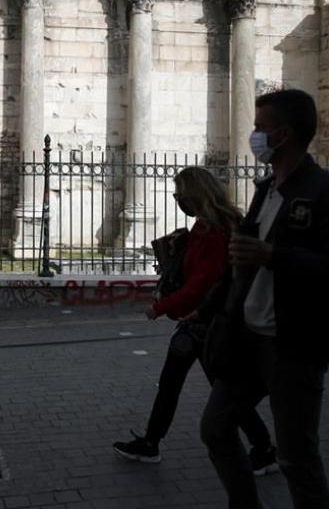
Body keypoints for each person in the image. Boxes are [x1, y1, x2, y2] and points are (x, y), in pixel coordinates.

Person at [200, 89, 329, 509]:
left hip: (293, 345)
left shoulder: (327, 193)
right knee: (215, 428)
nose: (254, 135)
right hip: (247, 338)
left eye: (260, 128)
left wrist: (274, 255)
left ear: (283, 135)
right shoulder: (265, 189)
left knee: (297, 458)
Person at [113, 168, 276, 474]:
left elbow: (203, 282)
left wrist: (161, 307)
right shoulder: (205, 227)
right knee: (180, 384)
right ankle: (152, 442)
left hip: (208, 322)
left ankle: (264, 449)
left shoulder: (215, 232)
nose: (177, 200)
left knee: (215, 391)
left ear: (195, 194)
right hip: (200, 322)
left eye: (180, 194)